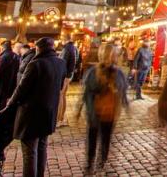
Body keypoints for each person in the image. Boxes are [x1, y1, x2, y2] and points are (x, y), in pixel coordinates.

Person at [7, 37, 66, 177]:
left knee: (30, 152)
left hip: (31, 113)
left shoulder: (35, 64)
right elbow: (61, 86)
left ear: (38, 49)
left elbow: (21, 89)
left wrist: (10, 105)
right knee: (42, 147)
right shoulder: (61, 63)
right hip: (49, 111)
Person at [78, 43, 128, 173]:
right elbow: (122, 90)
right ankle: (99, 163)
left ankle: (92, 164)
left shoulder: (94, 72)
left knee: (95, 139)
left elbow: (86, 94)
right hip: (104, 112)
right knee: (102, 138)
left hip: (100, 112)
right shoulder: (112, 72)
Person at [0, 40, 20, 113]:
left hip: (1, 87)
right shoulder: (15, 56)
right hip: (10, 86)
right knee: (3, 106)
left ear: (3, 47)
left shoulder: (3, 57)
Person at [57, 35, 78, 127]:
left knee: (60, 96)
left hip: (65, 75)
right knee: (63, 95)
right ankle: (62, 118)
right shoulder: (73, 48)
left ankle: (59, 119)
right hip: (69, 74)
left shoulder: (67, 48)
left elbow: (63, 62)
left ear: (64, 40)